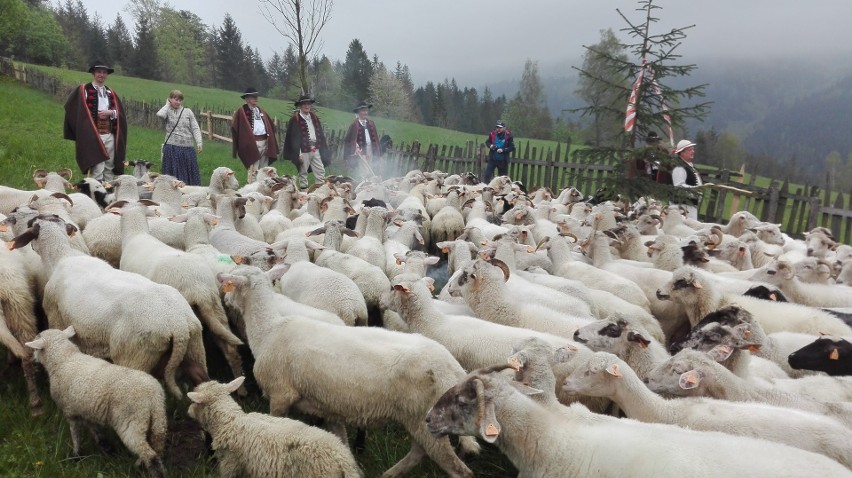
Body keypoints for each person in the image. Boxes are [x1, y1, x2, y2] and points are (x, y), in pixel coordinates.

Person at [63, 60, 127, 181]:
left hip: (109, 135)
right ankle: (95, 195)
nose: (101, 75)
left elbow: (119, 113)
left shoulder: (110, 92)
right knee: (97, 168)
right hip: (94, 136)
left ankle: (108, 196)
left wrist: (110, 113)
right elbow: (73, 108)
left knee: (109, 167)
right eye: (99, 72)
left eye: (104, 72)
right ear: (93, 73)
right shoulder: (84, 90)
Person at [231, 87, 279, 184]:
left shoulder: (260, 110)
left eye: (256, 96)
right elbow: (236, 129)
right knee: (253, 170)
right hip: (252, 144)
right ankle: (252, 191)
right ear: (247, 99)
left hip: (264, 141)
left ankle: (263, 189)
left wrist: (269, 141)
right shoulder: (242, 111)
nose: (256, 99)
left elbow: (270, 125)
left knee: (264, 169)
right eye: (253, 97)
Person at [156, 90, 203, 185]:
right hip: (172, 147)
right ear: (170, 99)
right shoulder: (167, 111)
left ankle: (188, 194)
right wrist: (167, 104)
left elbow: (195, 128)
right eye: (175, 99)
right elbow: (160, 115)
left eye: (180, 100)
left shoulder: (188, 112)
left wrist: (199, 142)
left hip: (187, 148)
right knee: (172, 175)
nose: (178, 102)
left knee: (188, 173)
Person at [284, 94, 330, 189]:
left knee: (320, 170)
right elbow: (293, 138)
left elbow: (319, 133)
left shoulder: (314, 117)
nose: (307, 106)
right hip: (303, 150)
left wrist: (320, 147)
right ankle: (303, 195)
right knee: (303, 173)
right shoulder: (295, 119)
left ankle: (319, 193)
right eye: (304, 104)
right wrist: (298, 153)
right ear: (300, 105)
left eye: (308, 104)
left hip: (315, 149)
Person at [343, 101, 381, 179]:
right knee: (364, 171)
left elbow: (376, 139)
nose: (366, 112)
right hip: (360, 151)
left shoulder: (371, 123)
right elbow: (348, 139)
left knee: (371, 168)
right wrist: (354, 147)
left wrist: (378, 151)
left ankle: (369, 185)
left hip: (371, 150)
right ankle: (363, 185)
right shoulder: (354, 124)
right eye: (364, 110)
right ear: (359, 111)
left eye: (367, 110)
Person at [672, 139, 704, 219]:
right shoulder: (679, 167)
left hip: (690, 205)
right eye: (690, 150)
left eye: (693, 149)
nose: (693, 152)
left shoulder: (690, 166)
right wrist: (695, 190)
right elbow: (679, 186)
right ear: (682, 152)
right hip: (683, 207)